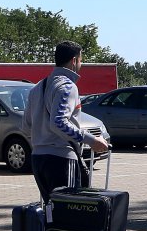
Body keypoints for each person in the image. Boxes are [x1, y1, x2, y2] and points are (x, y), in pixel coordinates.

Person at [20, 40, 110, 202]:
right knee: (67, 212)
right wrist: (92, 140)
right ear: (74, 61)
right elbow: (59, 123)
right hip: (61, 158)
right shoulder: (67, 87)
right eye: (81, 60)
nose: (81, 64)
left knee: (50, 211)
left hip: (38, 158)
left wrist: (42, 137)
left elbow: (25, 127)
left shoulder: (36, 88)